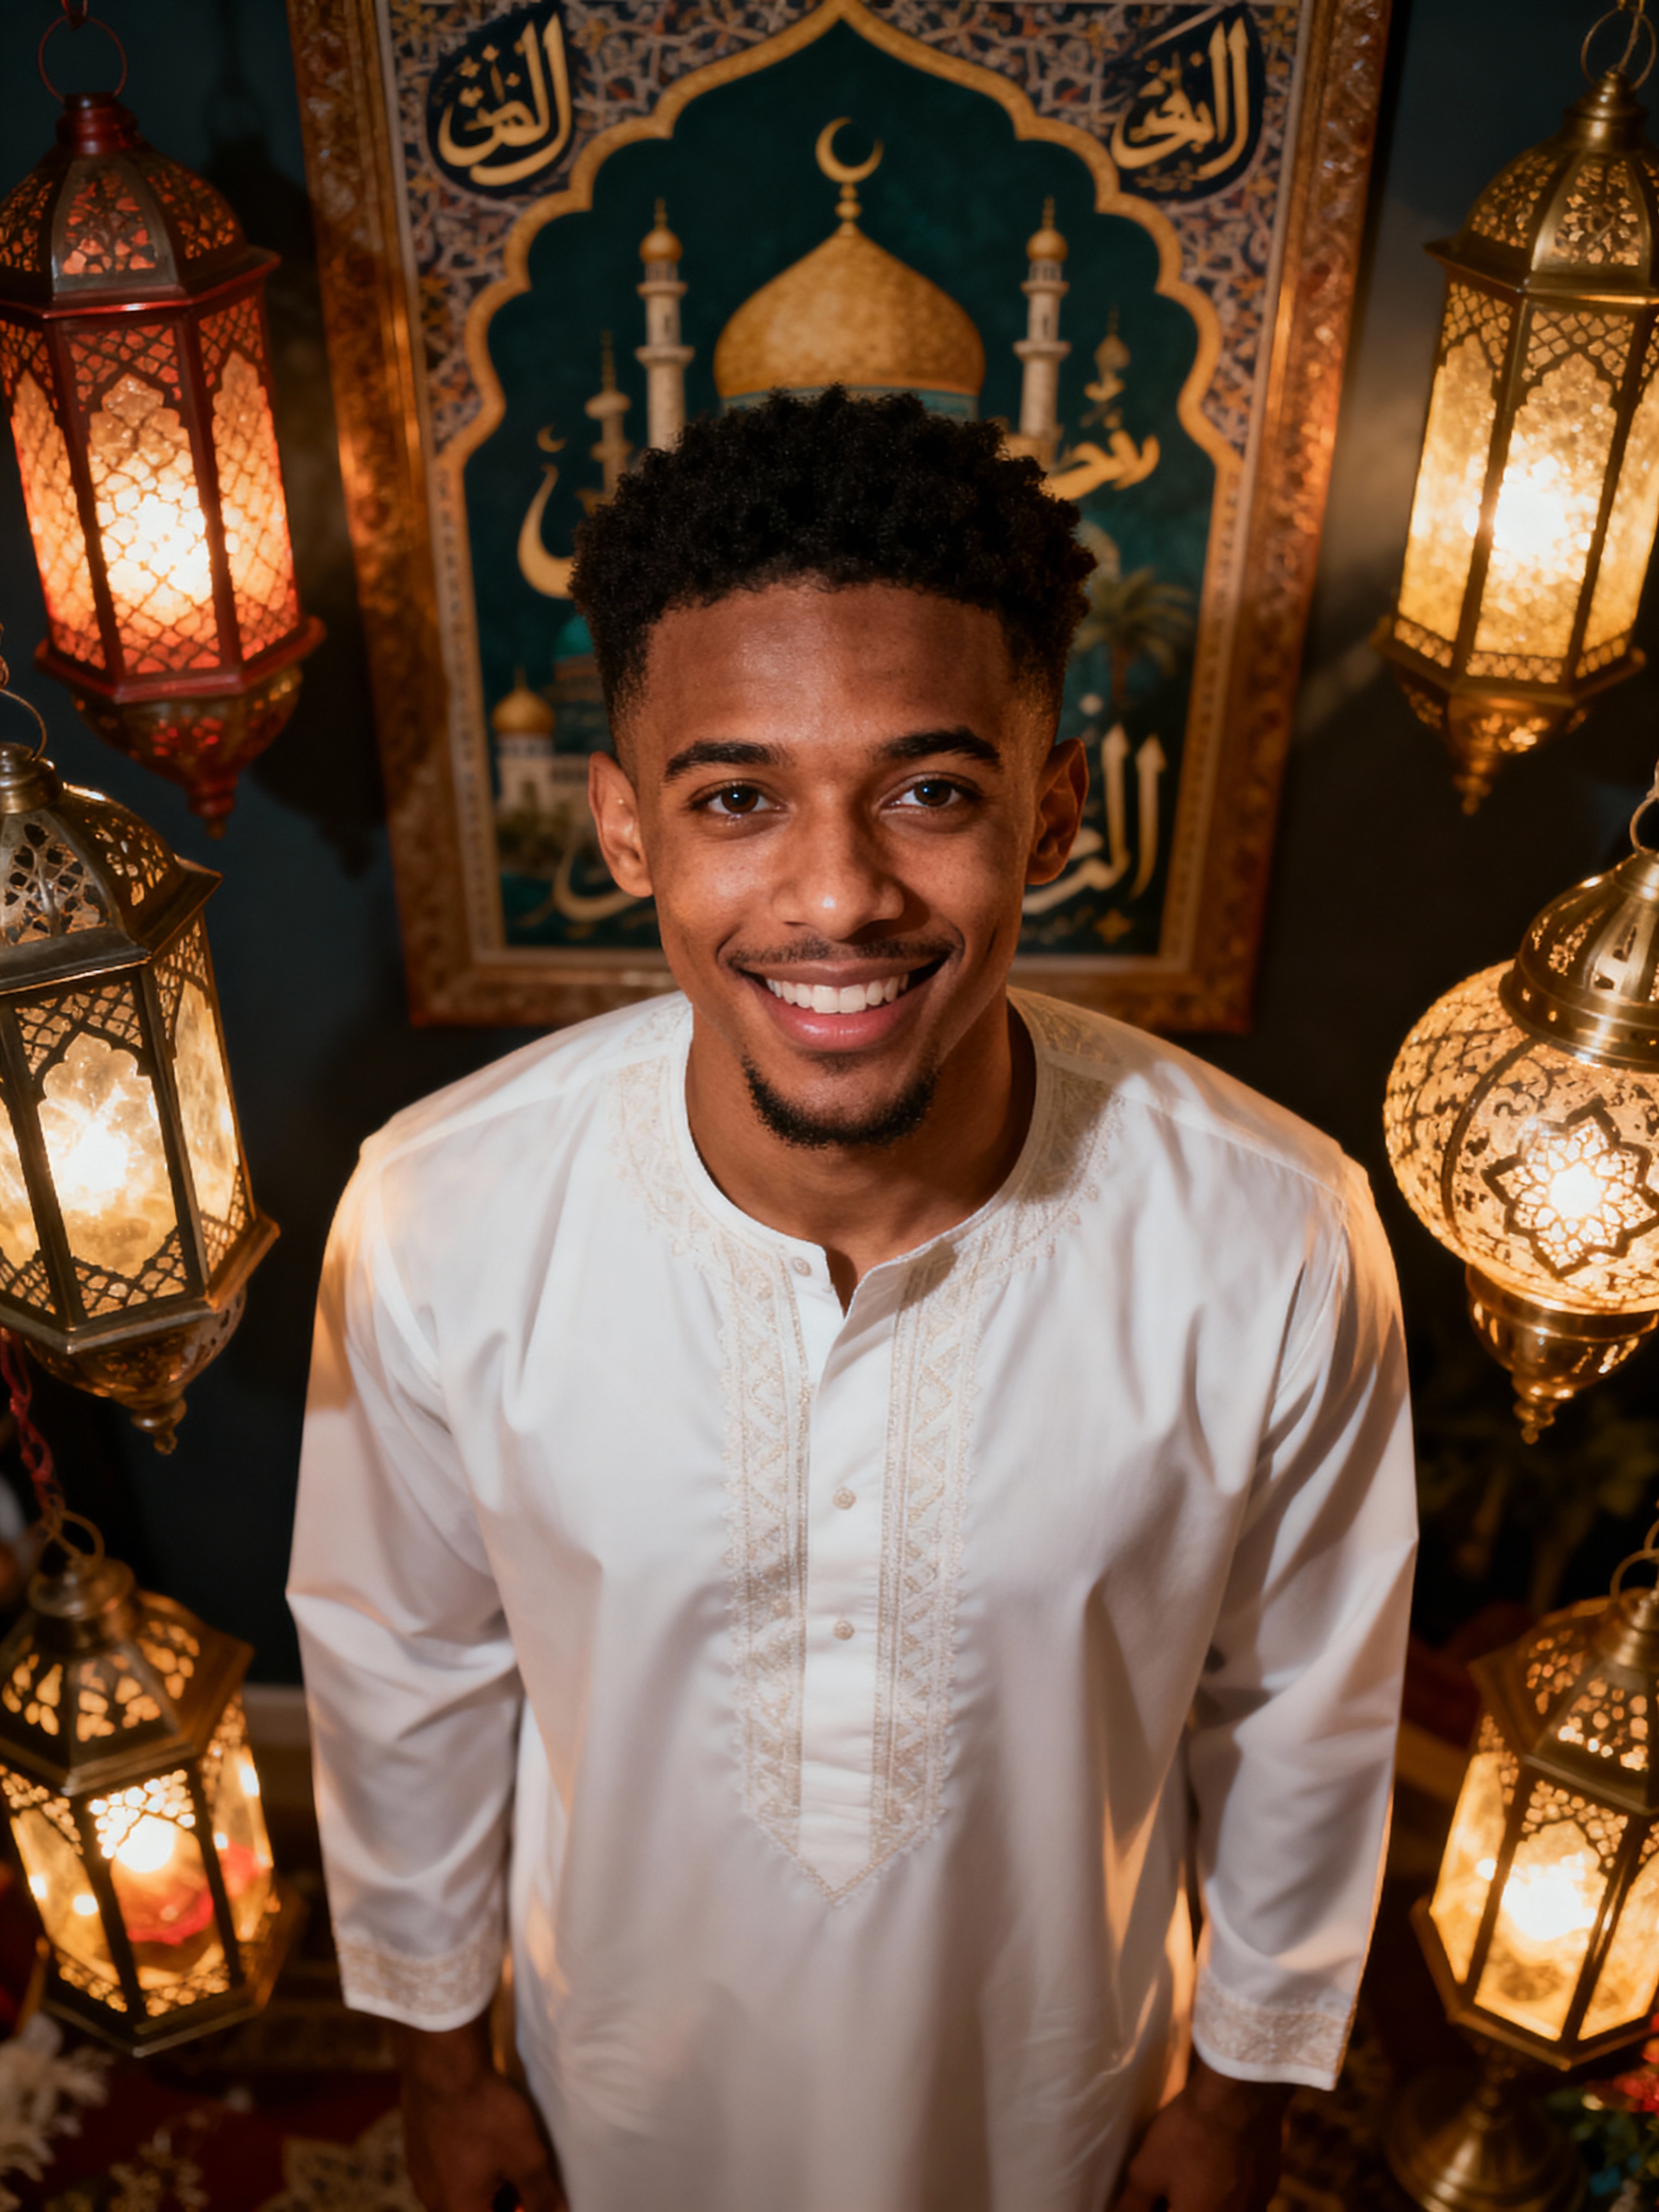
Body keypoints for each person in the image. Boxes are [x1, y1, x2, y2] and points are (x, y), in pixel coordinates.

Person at [290, 388, 1416, 2212]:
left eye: (930, 793)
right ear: (626, 828)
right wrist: (440, 2062)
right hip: (621, 2093)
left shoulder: (1273, 1236)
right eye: (738, 798)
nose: (838, 895)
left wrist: (1238, 2098)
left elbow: (1304, 1705)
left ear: (1053, 812)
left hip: (1052, 2100)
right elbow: (401, 1667)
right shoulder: (439, 1216)